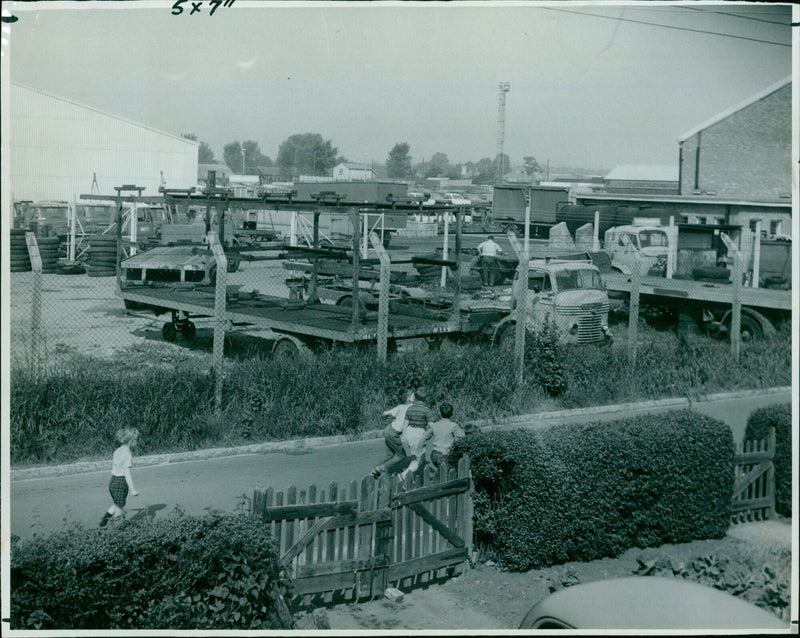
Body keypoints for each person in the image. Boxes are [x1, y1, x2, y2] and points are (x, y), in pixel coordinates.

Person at [99, 427, 140, 527]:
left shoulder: (117, 450)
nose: (137, 442)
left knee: (118, 504)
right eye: (136, 440)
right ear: (131, 441)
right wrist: (133, 489)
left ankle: (104, 520)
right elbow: (127, 474)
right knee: (120, 508)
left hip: (113, 481)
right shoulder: (127, 454)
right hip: (121, 482)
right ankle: (118, 527)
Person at [372, 386, 415, 478]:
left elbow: (385, 413)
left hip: (388, 430)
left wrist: (385, 416)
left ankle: (374, 470)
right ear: (409, 398)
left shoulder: (400, 407)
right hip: (394, 434)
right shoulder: (412, 407)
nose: (414, 396)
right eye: (412, 395)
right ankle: (381, 468)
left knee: (390, 455)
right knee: (401, 456)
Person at [428, 403, 465, 468]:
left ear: (439, 413)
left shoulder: (435, 425)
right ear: (452, 414)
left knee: (440, 470)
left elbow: (425, 436)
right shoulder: (453, 426)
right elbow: (462, 436)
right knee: (447, 472)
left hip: (434, 454)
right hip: (445, 454)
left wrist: (420, 445)